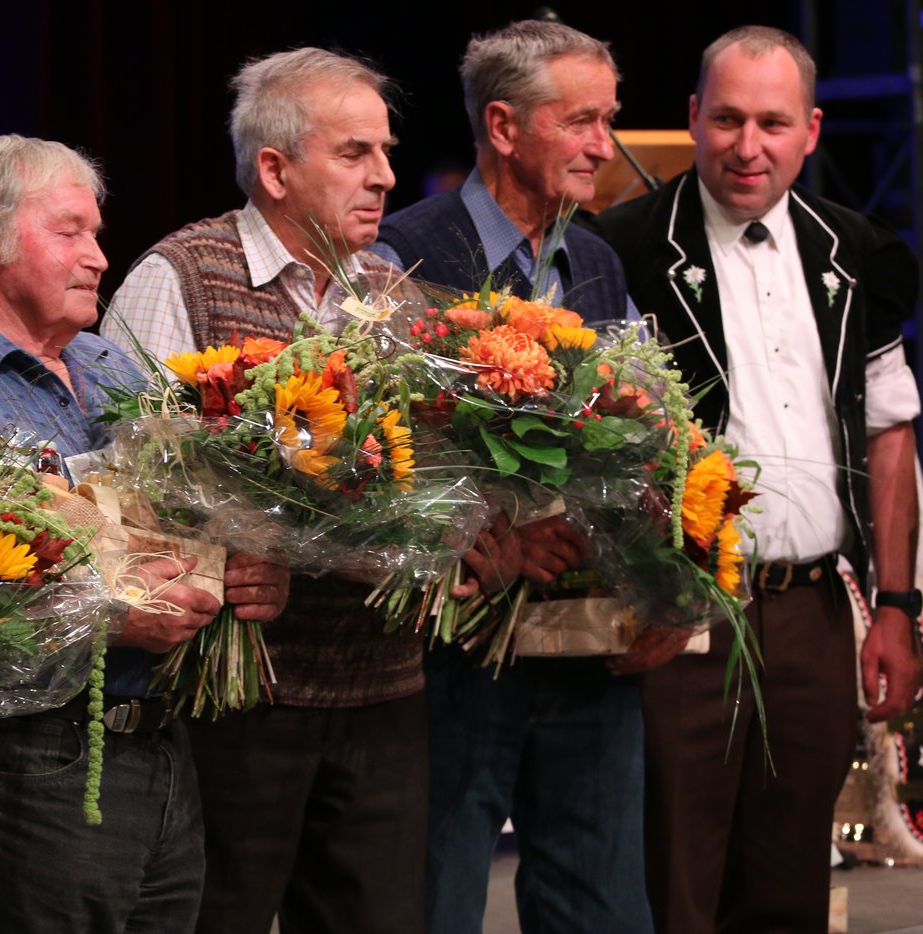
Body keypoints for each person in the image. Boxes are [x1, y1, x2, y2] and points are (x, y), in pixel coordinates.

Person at [0, 134, 290, 933]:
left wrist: (240, 572)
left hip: (159, 746)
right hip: (22, 768)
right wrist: (105, 621)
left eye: (96, 231)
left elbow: (183, 523)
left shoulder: (114, 370)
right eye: (70, 232)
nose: (98, 255)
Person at [596, 26, 923, 933]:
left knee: (789, 893)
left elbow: (892, 436)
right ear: (694, 119)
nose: (749, 146)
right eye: (729, 118)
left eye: (772, 123)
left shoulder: (856, 251)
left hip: (816, 615)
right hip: (679, 616)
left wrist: (897, 605)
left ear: (811, 130)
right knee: (675, 884)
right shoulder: (620, 250)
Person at [104, 48, 436, 934]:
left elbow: (432, 480)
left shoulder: (393, 295)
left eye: (387, 152)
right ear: (276, 170)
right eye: (356, 154)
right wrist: (234, 559)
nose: (386, 177)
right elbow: (128, 491)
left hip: (384, 692)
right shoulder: (180, 277)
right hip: (240, 702)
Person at [373, 20, 658, 933]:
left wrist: (665, 570)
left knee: (602, 908)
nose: (601, 146)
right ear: (502, 126)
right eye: (579, 121)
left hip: (589, 647)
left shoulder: (602, 260)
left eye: (607, 120)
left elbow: (639, 442)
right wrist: (489, 537)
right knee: (438, 901)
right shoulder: (403, 257)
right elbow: (384, 461)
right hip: (455, 660)